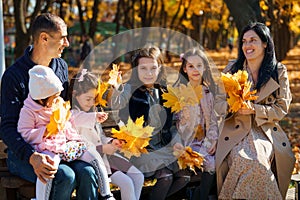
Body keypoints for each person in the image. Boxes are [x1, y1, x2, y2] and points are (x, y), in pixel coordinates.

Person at [0, 13, 99, 199]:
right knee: (64, 176)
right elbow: (7, 127)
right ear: (44, 38)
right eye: (63, 38)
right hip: (24, 153)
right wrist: (32, 156)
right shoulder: (13, 77)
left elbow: (66, 111)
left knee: (87, 172)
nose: (67, 43)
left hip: (59, 147)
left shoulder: (60, 66)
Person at [215, 22, 295, 199]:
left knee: (258, 163)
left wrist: (254, 109)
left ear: (265, 43)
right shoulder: (232, 69)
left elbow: (282, 108)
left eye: (253, 40)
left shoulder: (278, 71)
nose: (247, 45)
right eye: (244, 41)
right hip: (234, 128)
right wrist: (233, 106)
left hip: (263, 130)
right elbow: (218, 103)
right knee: (244, 160)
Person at [18, 65, 115, 200]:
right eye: (54, 96)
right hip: (48, 147)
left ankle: (107, 195)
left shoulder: (58, 103)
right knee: (48, 169)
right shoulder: (29, 111)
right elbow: (24, 132)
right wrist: (46, 131)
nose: (58, 99)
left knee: (93, 156)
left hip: (67, 144)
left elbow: (70, 119)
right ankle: (41, 198)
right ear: (42, 98)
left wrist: (86, 124)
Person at [108, 46, 190, 200]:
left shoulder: (165, 92)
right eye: (143, 68)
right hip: (141, 152)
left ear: (160, 69)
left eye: (153, 68)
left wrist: (177, 142)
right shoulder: (130, 90)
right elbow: (116, 103)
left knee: (184, 176)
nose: (149, 73)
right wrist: (115, 87)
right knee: (165, 176)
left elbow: (172, 126)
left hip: (163, 147)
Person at [69, 70, 144, 200]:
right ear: (75, 94)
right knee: (126, 183)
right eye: (88, 99)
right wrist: (102, 148)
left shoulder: (92, 112)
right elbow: (81, 124)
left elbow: (101, 136)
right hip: (94, 162)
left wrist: (110, 142)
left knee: (138, 176)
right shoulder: (72, 115)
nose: (91, 103)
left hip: (107, 157)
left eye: (94, 99)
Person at [173, 48, 219, 200]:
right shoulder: (179, 93)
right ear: (185, 69)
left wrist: (212, 140)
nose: (195, 70)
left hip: (203, 142)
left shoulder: (209, 93)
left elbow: (213, 121)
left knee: (212, 163)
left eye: (199, 65)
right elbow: (174, 123)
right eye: (191, 66)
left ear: (204, 67)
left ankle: (200, 195)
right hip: (184, 143)